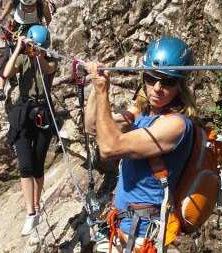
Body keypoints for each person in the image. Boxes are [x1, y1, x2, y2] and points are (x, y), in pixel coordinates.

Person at [84, 37, 197, 252]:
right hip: (119, 226)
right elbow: (92, 127)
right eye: (151, 77)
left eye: (167, 81)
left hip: (144, 236)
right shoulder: (141, 113)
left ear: (181, 85)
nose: (157, 88)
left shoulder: (176, 125)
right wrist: (96, 86)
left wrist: (102, 92)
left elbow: (109, 148)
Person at [1, 25, 57, 236]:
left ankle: (36, 203)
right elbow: (6, 73)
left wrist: (38, 53)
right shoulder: (22, 59)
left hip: (43, 111)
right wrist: (18, 48)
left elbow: (47, 69)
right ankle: (30, 213)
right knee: (25, 165)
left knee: (37, 165)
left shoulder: (50, 59)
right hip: (23, 111)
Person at [0, 0, 53, 101]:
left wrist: (42, 31)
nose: (27, 9)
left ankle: (38, 82)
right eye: (25, 6)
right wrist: (2, 17)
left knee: (32, 55)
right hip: (17, 27)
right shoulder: (16, 1)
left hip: (33, 29)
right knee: (7, 55)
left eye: (30, 6)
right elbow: (11, 4)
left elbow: (48, 19)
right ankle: (1, 88)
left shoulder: (42, 4)